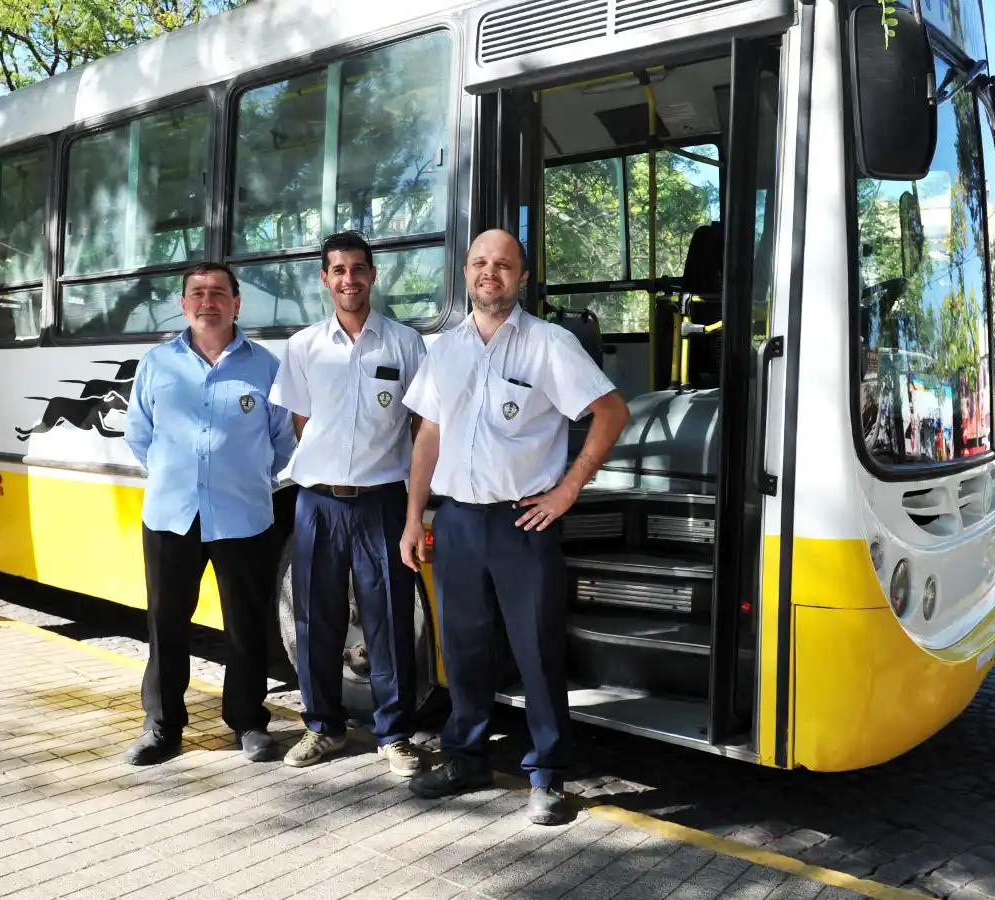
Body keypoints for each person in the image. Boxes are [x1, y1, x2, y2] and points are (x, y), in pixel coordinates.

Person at [399, 229, 630, 825]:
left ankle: (548, 774)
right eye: (479, 263)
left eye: (503, 265)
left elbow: (611, 412)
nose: (489, 273)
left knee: (535, 651)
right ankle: (466, 757)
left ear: (521, 277)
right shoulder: (444, 349)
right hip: (455, 523)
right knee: (464, 650)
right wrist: (412, 519)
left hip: (521, 523)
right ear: (466, 273)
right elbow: (428, 435)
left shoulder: (549, 344)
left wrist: (569, 488)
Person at [122, 262, 295, 766]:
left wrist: (248, 478)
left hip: (243, 516)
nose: (208, 301)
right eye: (197, 293)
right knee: (166, 622)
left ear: (236, 304)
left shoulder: (264, 366)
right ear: (184, 304)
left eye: (218, 293)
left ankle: (247, 721)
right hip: (171, 515)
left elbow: (282, 439)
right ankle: (162, 726)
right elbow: (139, 433)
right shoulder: (157, 363)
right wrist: (174, 474)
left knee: (244, 624)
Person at [271, 231, 426, 775]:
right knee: (317, 618)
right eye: (338, 270)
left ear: (372, 275)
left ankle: (395, 736)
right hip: (317, 503)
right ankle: (322, 728)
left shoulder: (405, 344)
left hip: (382, 502)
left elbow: (418, 422)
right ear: (325, 278)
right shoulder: (304, 346)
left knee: (388, 621)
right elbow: (300, 420)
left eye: (359, 269)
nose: (350, 280)